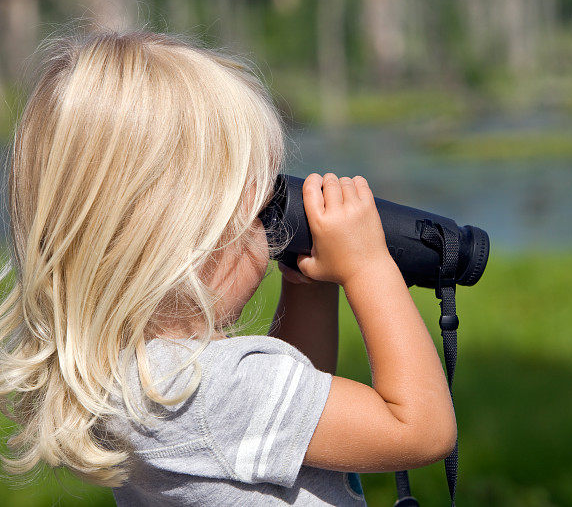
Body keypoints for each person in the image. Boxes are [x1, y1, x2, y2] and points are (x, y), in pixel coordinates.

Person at [0, 30, 456, 506]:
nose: (274, 228)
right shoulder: (205, 392)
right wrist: (367, 266)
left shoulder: (142, 379)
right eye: (262, 212)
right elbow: (420, 430)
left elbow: (294, 407)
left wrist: (308, 287)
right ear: (190, 235)